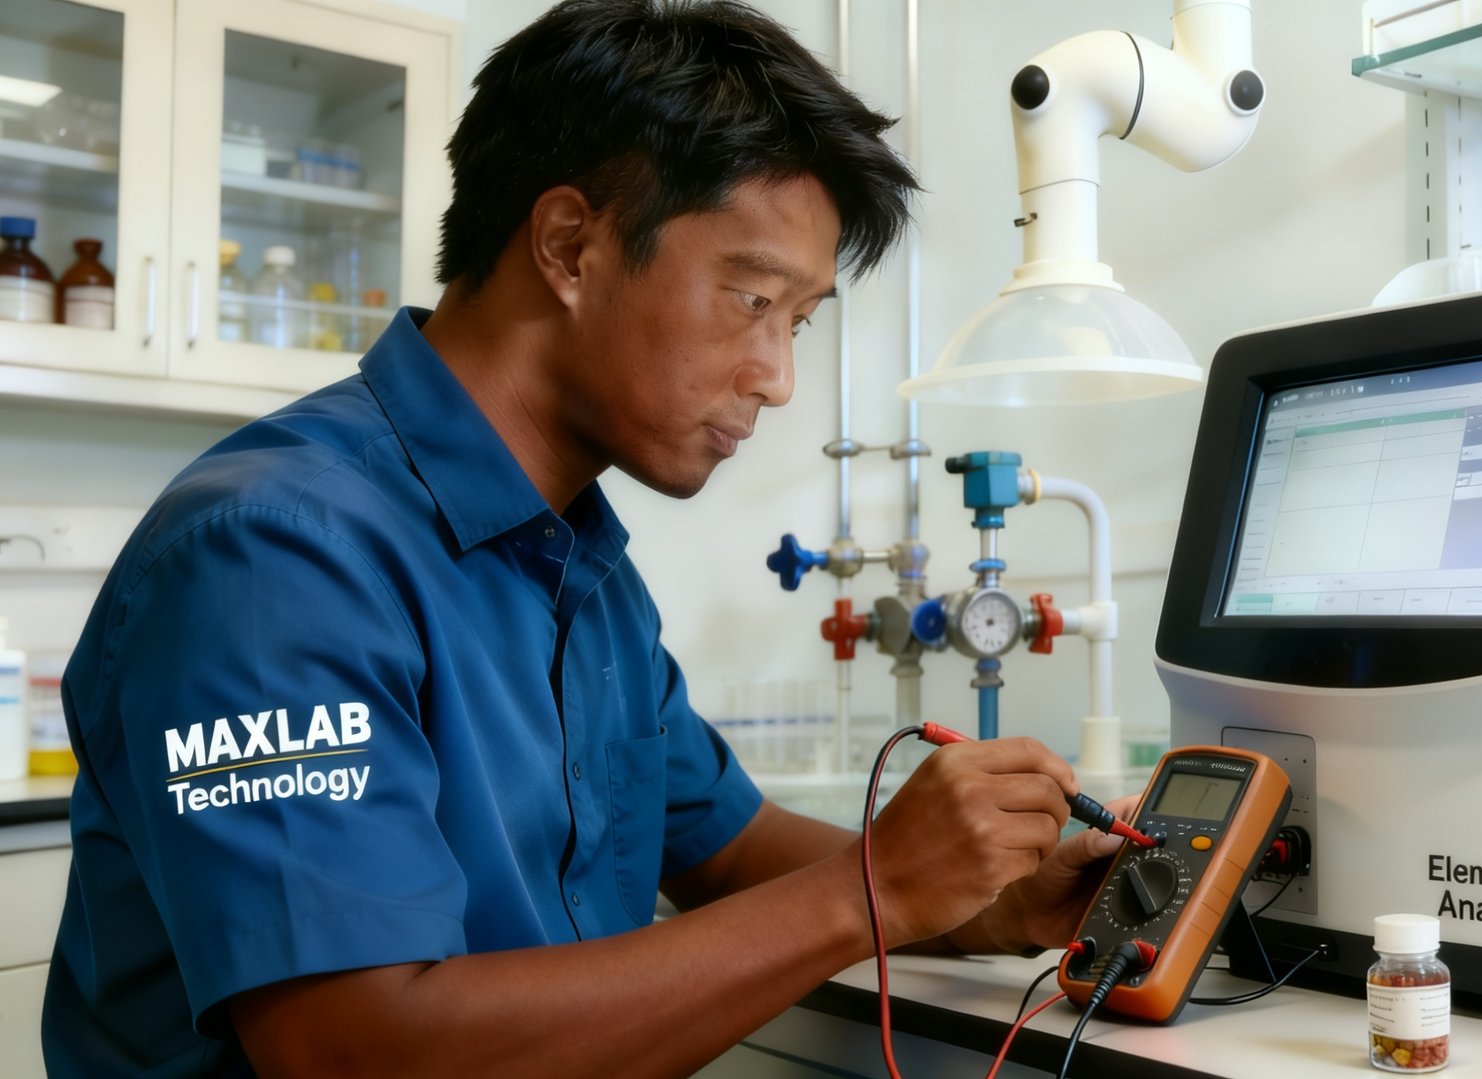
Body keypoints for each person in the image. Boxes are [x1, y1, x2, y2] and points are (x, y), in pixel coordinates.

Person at [41, 2, 1130, 1075]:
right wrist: (872, 890)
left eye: (797, 322)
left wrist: (991, 901)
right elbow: (358, 1049)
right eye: (752, 300)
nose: (778, 377)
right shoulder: (275, 555)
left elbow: (731, 850)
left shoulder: (583, 572)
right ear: (570, 245)